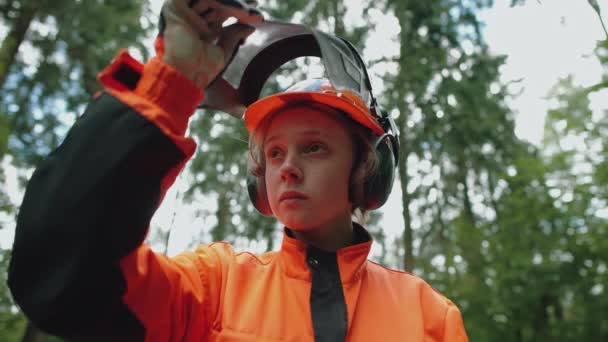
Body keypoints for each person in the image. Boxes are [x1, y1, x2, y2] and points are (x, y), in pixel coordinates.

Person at [7, 0, 468, 341]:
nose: (287, 168)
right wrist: (174, 80)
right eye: (273, 153)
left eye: (313, 148)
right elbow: (63, 275)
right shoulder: (213, 288)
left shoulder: (428, 315)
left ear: (367, 170)